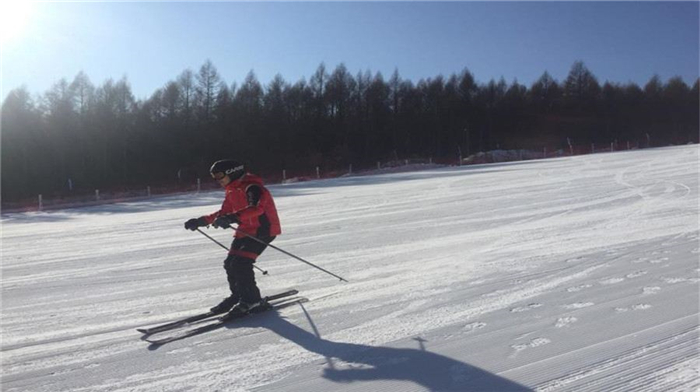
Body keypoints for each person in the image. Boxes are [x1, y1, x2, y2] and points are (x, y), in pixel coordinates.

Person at [184, 160, 281, 317]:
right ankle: (239, 296)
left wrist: (233, 217)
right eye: (214, 176)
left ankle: (252, 300)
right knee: (230, 264)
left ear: (232, 172)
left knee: (241, 264)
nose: (217, 179)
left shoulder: (253, 187)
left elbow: (256, 208)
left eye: (220, 175)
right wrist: (201, 221)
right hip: (245, 230)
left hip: (263, 230)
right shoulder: (232, 190)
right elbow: (223, 213)